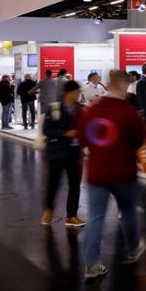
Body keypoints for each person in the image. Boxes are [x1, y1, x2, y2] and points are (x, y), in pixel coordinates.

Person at [78, 69, 146, 282]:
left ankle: (91, 264)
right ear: (124, 85)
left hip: (97, 171)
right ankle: (133, 248)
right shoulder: (129, 112)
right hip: (123, 172)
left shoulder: (92, 109)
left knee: (95, 218)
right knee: (128, 211)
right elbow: (139, 140)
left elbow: (83, 138)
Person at [40, 80, 85, 227]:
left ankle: (71, 215)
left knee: (75, 184)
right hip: (57, 152)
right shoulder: (54, 108)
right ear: (68, 93)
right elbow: (47, 130)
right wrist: (65, 133)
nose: (78, 95)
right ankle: (49, 209)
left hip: (74, 152)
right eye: (76, 92)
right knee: (54, 183)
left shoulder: (80, 109)